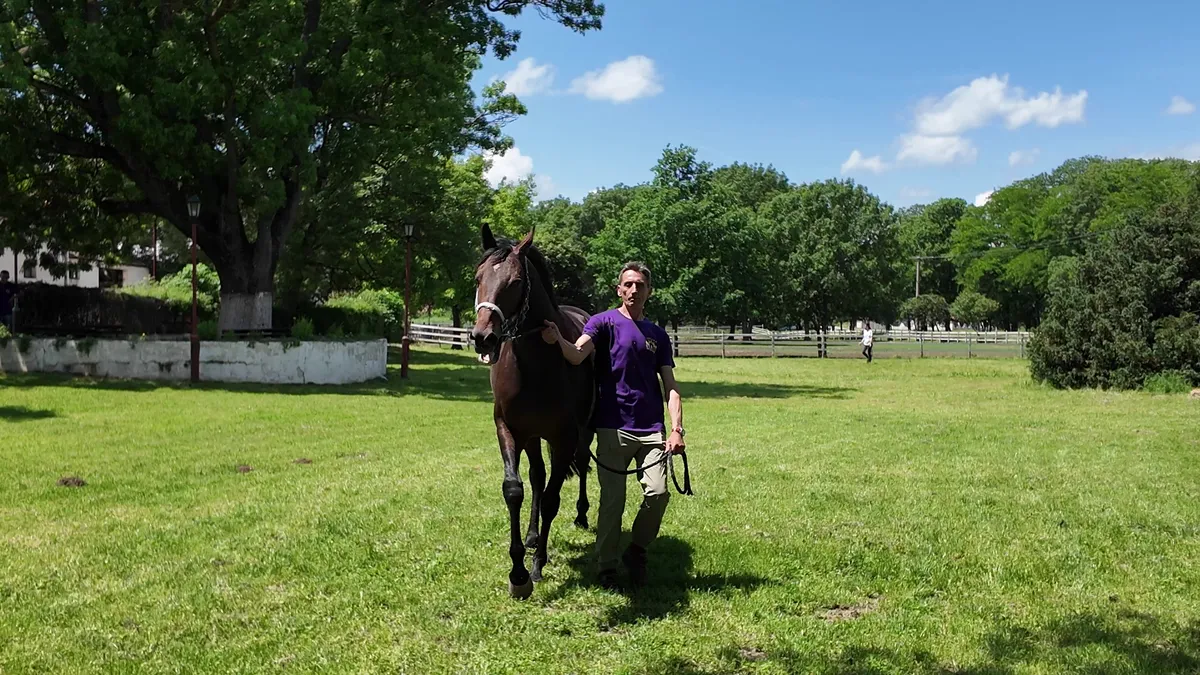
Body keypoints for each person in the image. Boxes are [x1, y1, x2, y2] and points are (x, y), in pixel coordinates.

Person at [540, 261, 685, 590]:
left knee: (659, 494)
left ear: (649, 292)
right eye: (628, 284)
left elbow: (671, 387)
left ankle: (636, 549)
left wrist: (676, 428)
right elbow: (577, 355)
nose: (634, 290)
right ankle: (606, 566)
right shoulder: (602, 322)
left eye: (640, 285)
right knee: (612, 502)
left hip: (652, 428)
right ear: (619, 290)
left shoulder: (658, 335)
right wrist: (557, 339)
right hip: (612, 427)